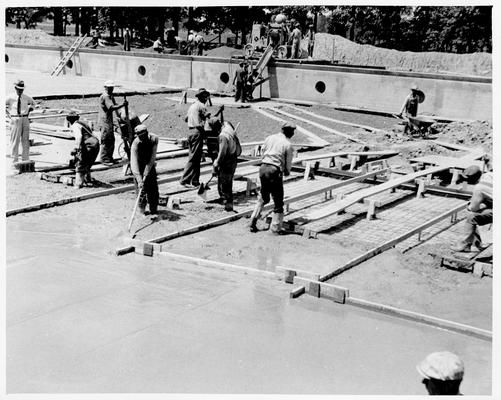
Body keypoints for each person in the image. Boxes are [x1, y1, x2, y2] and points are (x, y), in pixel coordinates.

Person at [249, 122, 295, 234]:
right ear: (288, 131)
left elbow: (263, 151)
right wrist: (287, 172)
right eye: (292, 131)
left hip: (263, 168)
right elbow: (288, 163)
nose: (293, 134)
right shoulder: (287, 144)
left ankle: (253, 220)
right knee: (278, 200)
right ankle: (275, 227)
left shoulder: (270, 138)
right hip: (274, 170)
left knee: (264, 197)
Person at [451, 165, 492, 252]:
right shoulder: (489, 175)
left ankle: (464, 245)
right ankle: (477, 243)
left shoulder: (479, 188)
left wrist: (470, 205)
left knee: (472, 217)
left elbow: (473, 208)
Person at [179, 88, 211, 187]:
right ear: (202, 97)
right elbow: (208, 119)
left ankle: (195, 180)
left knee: (197, 157)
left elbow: (185, 119)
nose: (206, 98)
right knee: (193, 157)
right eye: (205, 96)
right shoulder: (201, 106)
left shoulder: (192, 106)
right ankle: (184, 180)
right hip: (197, 132)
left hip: (190, 132)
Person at [6, 79, 35, 172]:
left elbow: (33, 103)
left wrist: (31, 108)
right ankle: (14, 162)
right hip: (15, 119)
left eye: (22, 89)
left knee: (25, 141)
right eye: (19, 89)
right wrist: (8, 114)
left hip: (25, 118)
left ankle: (25, 161)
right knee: (15, 141)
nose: (20, 91)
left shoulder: (26, 97)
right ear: (15, 88)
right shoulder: (10, 97)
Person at [130, 124, 159, 216]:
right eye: (140, 137)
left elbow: (153, 157)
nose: (142, 138)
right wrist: (139, 179)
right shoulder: (136, 143)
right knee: (141, 191)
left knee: (153, 189)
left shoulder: (154, 139)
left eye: (144, 136)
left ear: (147, 133)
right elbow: (134, 163)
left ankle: (153, 210)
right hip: (139, 166)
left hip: (149, 164)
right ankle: (142, 211)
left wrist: (148, 169)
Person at [213, 121, 242, 212]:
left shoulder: (223, 136)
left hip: (227, 161)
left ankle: (228, 207)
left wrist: (216, 163)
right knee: (228, 183)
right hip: (233, 160)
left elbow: (222, 152)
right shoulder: (230, 131)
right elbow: (238, 150)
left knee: (224, 185)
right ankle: (227, 204)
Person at [66, 111, 100, 188]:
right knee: (88, 162)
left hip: (89, 144)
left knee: (80, 163)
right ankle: (88, 179)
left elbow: (79, 137)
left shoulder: (75, 125)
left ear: (70, 120)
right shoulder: (83, 123)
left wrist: (76, 148)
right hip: (95, 143)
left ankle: (78, 184)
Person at [97, 80, 127, 166]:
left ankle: (109, 158)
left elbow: (115, 104)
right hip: (104, 122)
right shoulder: (105, 96)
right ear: (105, 87)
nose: (111, 89)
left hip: (108, 121)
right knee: (106, 140)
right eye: (109, 88)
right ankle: (104, 159)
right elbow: (112, 107)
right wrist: (122, 105)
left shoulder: (110, 96)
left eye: (112, 88)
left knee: (111, 140)